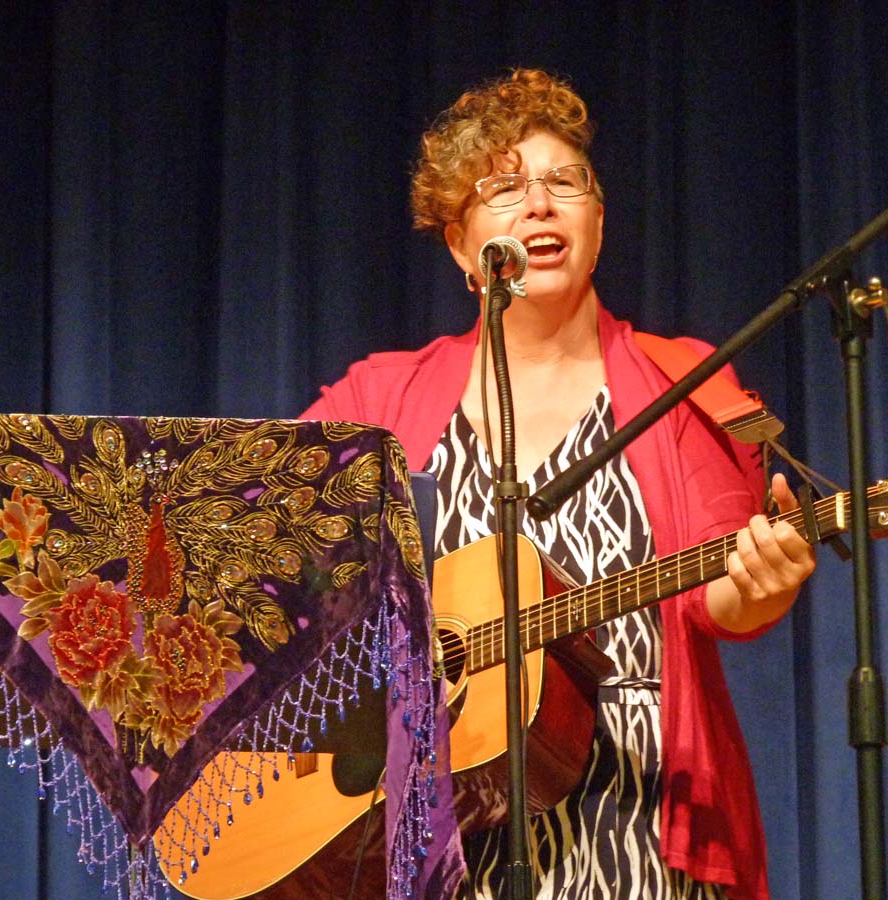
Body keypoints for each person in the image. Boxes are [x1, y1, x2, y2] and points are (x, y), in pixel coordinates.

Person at [301, 68, 816, 900]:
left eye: (563, 183)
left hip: (635, 814)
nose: (539, 205)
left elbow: (721, 601)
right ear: (461, 246)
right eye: (504, 189)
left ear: (597, 223)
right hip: (435, 819)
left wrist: (766, 586)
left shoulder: (687, 384)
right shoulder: (379, 401)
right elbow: (268, 561)